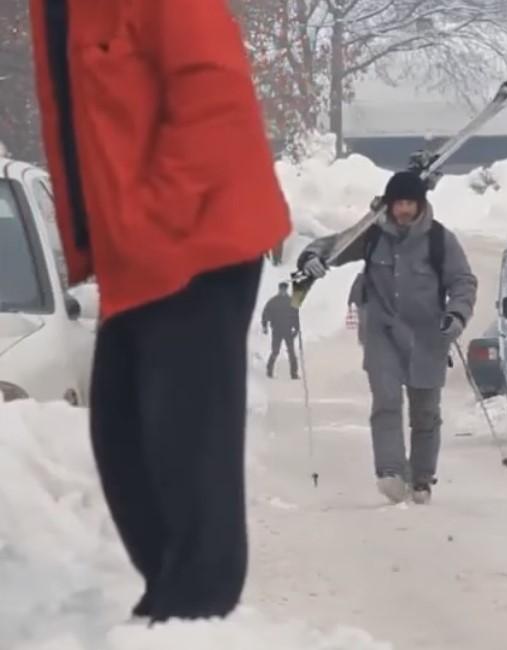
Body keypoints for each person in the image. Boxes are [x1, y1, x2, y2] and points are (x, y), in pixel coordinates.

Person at [29, 0, 290, 622]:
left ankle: (197, 610)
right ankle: (172, 603)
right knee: (121, 435)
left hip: (199, 237)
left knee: (184, 439)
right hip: (136, 251)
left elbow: (215, 96)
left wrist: (150, 220)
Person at [298, 171, 477, 505]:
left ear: (421, 204)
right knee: (386, 402)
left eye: (410, 203)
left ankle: (421, 479)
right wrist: (311, 258)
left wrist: (456, 315)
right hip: (382, 332)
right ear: (390, 205)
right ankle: (391, 473)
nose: (404, 210)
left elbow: (463, 281)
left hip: (428, 336)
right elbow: (333, 246)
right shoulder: (373, 236)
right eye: (398, 204)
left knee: (425, 413)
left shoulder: (440, 240)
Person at [262, 282, 301, 379]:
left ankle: (294, 373)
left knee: (291, 352)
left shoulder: (291, 301)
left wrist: (297, 328)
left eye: (284, 289)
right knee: (275, 351)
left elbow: (295, 316)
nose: (282, 291)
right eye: (281, 289)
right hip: (277, 330)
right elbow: (265, 313)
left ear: (286, 289)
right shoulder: (273, 301)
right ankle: (269, 370)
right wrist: (265, 326)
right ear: (279, 289)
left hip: (288, 330)